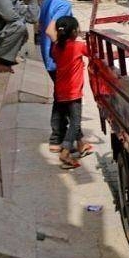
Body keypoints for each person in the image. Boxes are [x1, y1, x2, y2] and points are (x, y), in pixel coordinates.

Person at [39, 0, 83, 153]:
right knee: (70, 103)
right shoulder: (63, 5)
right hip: (58, 62)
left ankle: (59, 140)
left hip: (48, 58)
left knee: (60, 100)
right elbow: (51, 30)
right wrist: (66, 50)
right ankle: (65, 141)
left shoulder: (48, 0)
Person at [50, 16, 93, 169]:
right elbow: (93, 53)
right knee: (75, 123)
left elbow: (54, 57)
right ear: (75, 31)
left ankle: (81, 145)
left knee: (72, 118)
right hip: (73, 93)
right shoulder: (78, 46)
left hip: (60, 91)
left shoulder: (56, 47)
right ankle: (66, 151)